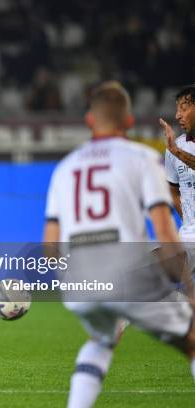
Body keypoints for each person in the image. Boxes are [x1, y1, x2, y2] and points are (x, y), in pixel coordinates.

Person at [43, 82, 195, 407]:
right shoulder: (141, 158)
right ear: (129, 122)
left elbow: (50, 246)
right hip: (128, 272)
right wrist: (187, 287)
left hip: (81, 281)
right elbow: (165, 228)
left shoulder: (65, 168)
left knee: (100, 340)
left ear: (89, 121)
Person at [161, 85, 195, 243]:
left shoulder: (175, 150)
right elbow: (173, 191)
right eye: (177, 109)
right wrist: (188, 222)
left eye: (184, 108)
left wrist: (176, 151)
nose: (177, 115)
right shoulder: (175, 147)